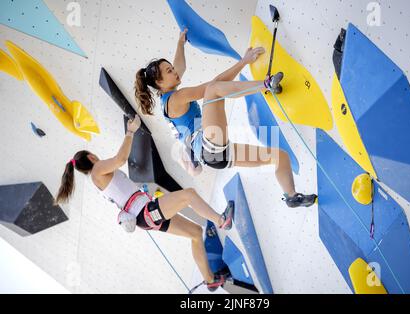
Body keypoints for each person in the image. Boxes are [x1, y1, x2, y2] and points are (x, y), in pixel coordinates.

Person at [135, 29, 317, 208]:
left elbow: (180, 65)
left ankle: (291, 196)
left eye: (172, 68)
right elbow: (213, 86)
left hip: (216, 156)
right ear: (159, 82)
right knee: (213, 90)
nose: (175, 72)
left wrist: (180, 44)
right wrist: (244, 62)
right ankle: (267, 85)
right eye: (169, 71)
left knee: (280, 157)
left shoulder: (166, 94)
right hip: (208, 146)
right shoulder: (176, 98)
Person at [55, 115, 234, 291]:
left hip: (145, 216)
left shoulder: (96, 180)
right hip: (146, 213)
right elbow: (120, 160)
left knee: (195, 233)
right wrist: (130, 132)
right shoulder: (97, 170)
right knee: (188, 195)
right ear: (91, 157)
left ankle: (209, 280)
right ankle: (221, 220)